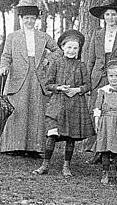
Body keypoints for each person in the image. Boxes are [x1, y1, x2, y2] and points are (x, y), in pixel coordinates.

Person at [0, 0, 57, 156]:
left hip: (37, 78)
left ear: (36, 19)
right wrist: (4, 66)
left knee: (36, 110)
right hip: (18, 77)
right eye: (26, 18)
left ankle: (34, 148)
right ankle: (12, 147)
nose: (29, 21)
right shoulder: (13, 37)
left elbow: (58, 51)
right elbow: (6, 56)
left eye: (32, 18)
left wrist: (46, 60)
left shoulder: (43, 36)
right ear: (21, 19)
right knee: (18, 110)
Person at [33, 29, 94, 176]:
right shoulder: (56, 63)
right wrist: (59, 87)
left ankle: (66, 166)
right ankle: (45, 165)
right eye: (69, 47)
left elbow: (88, 85)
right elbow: (48, 84)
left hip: (75, 104)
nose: (72, 51)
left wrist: (77, 90)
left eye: (75, 48)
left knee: (70, 137)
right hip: (57, 105)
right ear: (62, 47)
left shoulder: (81, 65)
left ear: (79, 49)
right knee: (52, 133)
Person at [83, 0, 117, 160]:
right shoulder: (97, 34)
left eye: (113, 14)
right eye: (107, 15)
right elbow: (91, 58)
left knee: (115, 113)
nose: (110, 18)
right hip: (98, 76)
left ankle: (114, 149)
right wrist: (88, 79)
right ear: (103, 17)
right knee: (97, 111)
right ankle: (96, 150)